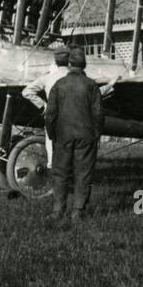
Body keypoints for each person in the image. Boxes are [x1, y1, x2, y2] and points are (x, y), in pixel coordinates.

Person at [43, 46, 104, 223]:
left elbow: (50, 114)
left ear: (69, 64)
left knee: (60, 173)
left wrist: (52, 134)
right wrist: (96, 133)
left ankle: (57, 210)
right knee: (83, 173)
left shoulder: (59, 85)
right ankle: (78, 211)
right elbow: (98, 114)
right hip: (86, 136)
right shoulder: (92, 85)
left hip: (63, 136)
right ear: (84, 65)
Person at [22, 45, 71, 166]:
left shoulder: (47, 77)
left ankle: (52, 165)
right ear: (69, 61)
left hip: (53, 116)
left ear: (55, 61)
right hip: (72, 117)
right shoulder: (77, 77)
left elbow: (26, 92)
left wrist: (43, 105)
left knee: (52, 144)